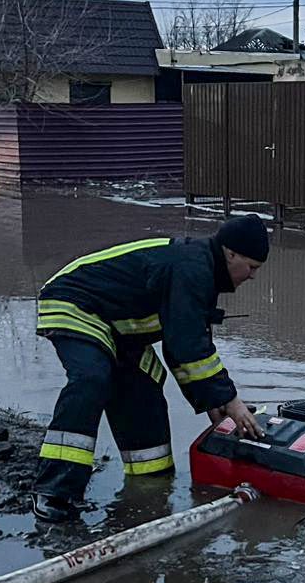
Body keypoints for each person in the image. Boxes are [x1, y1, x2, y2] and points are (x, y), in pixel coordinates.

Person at [32, 214, 270, 523]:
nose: (251, 276)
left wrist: (216, 401)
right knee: (92, 378)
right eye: (251, 267)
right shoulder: (192, 267)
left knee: (143, 386)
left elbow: (181, 349)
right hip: (75, 303)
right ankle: (54, 491)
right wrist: (232, 401)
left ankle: (151, 486)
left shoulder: (202, 273)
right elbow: (189, 345)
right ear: (231, 253)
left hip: (117, 327)